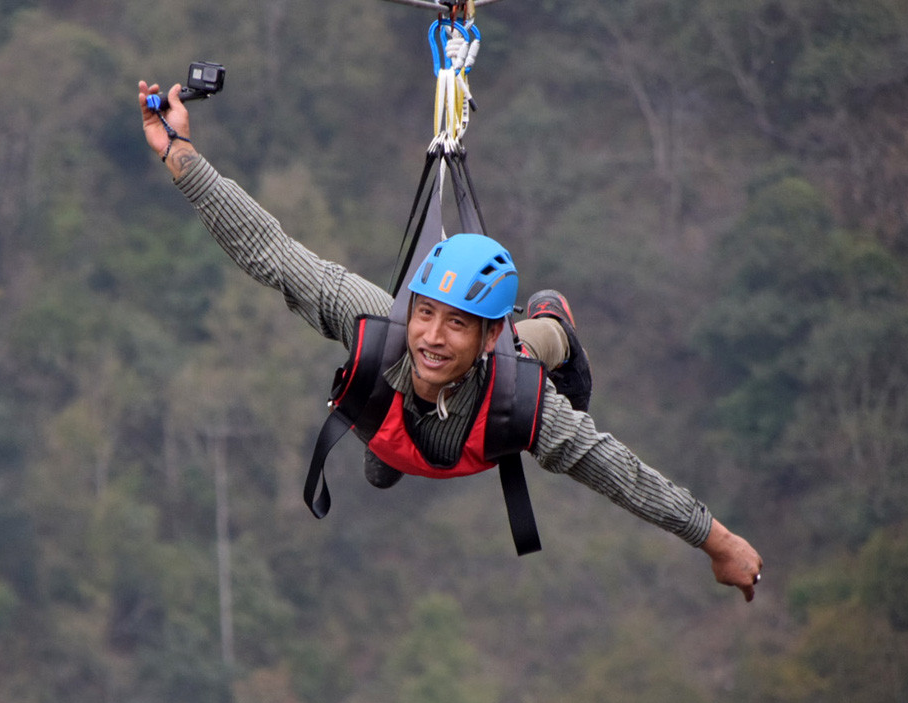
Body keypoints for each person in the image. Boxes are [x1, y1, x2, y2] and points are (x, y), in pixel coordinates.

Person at [138, 81, 764, 602]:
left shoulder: (527, 402)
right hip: (403, 425)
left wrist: (718, 540)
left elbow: (623, 475)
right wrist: (180, 156)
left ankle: (554, 326)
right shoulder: (378, 324)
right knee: (385, 449)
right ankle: (400, 435)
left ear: (488, 332)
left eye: (457, 322)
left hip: (493, 401)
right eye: (426, 313)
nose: (432, 336)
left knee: (535, 349)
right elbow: (269, 250)